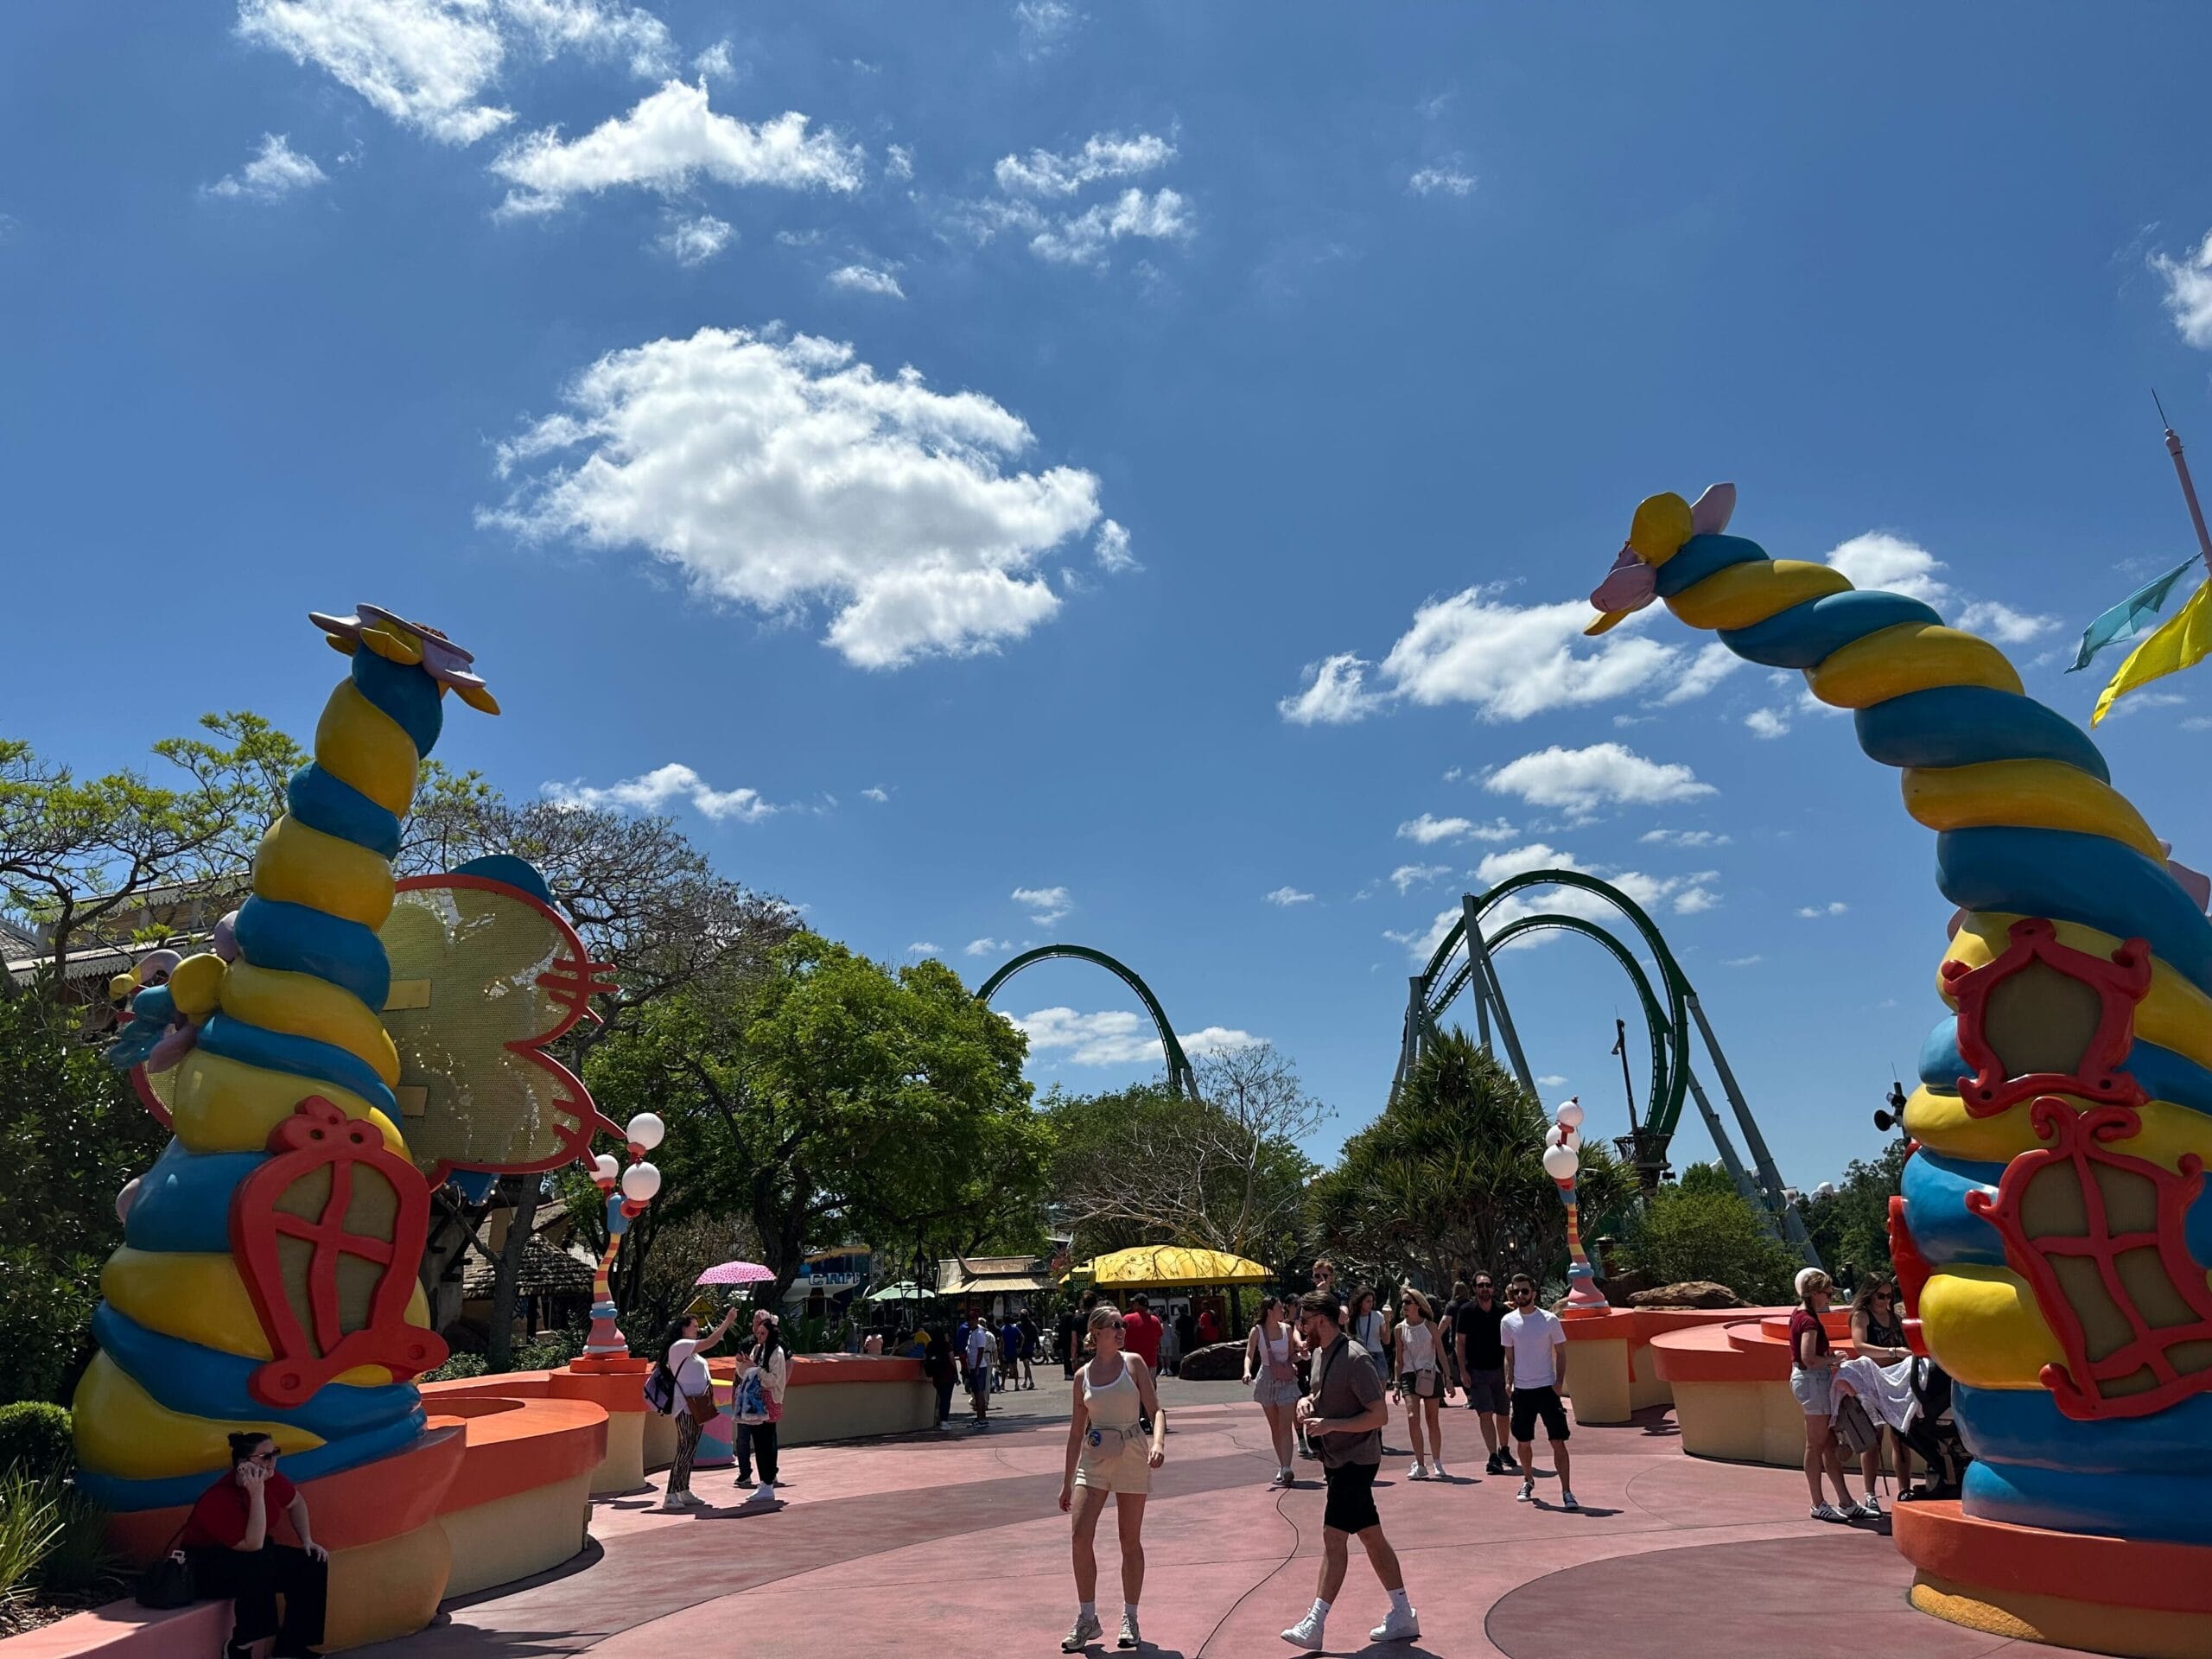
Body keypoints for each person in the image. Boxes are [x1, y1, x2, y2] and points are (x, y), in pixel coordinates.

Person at [1280, 1291, 1419, 1649]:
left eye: (1304, 1321)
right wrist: (1306, 1401)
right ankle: (1403, 1612)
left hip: (1357, 1461)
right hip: (1337, 1459)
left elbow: (1379, 1415)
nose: (1301, 1328)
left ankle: (1316, 1622)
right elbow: (1320, 1395)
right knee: (1371, 1535)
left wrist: (1331, 1425)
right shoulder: (1320, 1355)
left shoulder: (1356, 1358)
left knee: (1333, 1537)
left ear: (1321, 1321)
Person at [1058, 1306, 1167, 1654]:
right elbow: (1076, 1433)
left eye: (1122, 1325)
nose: (1121, 1330)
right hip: (1093, 1457)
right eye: (1114, 1325)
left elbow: (1156, 1410)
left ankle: (1130, 1617)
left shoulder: (1133, 1363)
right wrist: (1065, 1482)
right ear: (1096, 1332)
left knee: (1128, 1540)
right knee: (1079, 1536)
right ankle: (1087, 1617)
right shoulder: (1082, 1376)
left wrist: (1159, 1442)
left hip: (1132, 1452)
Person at [179, 1433, 329, 1659]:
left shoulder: (272, 1480)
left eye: (275, 1454)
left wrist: (307, 1539)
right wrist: (257, 1493)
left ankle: (291, 1646)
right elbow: (252, 1544)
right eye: (266, 1457)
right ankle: (240, 1645)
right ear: (243, 1464)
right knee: (258, 1563)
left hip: (250, 1555)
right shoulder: (218, 1497)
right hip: (207, 1566)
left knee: (311, 1562)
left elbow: (296, 1502)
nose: (273, 1462)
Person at [1793, 1268, 1869, 1522]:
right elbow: (1808, 1359)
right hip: (1813, 1381)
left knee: (1829, 1444)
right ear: (1814, 1293)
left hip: (1811, 1381)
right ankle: (1817, 1502)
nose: (1830, 1298)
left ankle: (1845, 1501)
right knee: (1815, 1444)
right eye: (1827, 1293)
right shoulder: (1809, 1321)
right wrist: (1832, 1359)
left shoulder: (1800, 1315)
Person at [1501, 1274, 1575, 1508]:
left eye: (1524, 1291)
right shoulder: (1507, 1322)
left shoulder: (1550, 1320)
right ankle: (1527, 1479)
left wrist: (1558, 1383)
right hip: (1522, 1391)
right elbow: (1509, 1356)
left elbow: (1561, 1353)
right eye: (1516, 1292)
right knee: (1523, 1441)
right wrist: (1508, 1382)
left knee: (1558, 1441)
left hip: (1546, 1389)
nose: (1520, 1296)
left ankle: (1566, 1491)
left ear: (1533, 1292)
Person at [657, 1303, 739, 1510]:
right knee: (685, 1448)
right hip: (685, 1407)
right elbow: (712, 1340)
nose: (697, 1329)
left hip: (698, 1406)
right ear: (684, 1329)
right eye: (694, 1326)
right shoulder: (680, 1346)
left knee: (691, 1448)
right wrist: (728, 1321)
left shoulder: (693, 1352)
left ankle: (684, 1490)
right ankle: (670, 1494)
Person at [1847, 1277, 1914, 1504]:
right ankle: (1870, 1494)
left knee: (1902, 1437)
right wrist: (1894, 1351)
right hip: (1872, 1381)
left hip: (1897, 1382)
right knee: (1873, 1438)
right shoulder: (1862, 1316)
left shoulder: (1896, 1318)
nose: (1885, 1300)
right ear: (1869, 1294)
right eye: (1880, 1296)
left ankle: (1905, 1489)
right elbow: (1860, 1346)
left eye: (1889, 1295)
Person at [1453, 1274, 1516, 1475]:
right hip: (1477, 1371)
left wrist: (1512, 1373)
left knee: (1504, 1413)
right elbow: (1459, 1342)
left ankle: (1504, 1449)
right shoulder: (1466, 1311)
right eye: (1480, 1286)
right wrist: (1462, 1371)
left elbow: (1511, 1344)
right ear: (1474, 1289)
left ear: (1493, 1289)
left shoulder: (1502, 1312)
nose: (1484, 1289)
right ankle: (1492, 1455)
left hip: (1500, 1370)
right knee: (1485, 1413)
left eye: (1488, 1285)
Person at [1242, 1294, 1300, 1487]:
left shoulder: (1287, 1329)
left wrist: (1303, 1356)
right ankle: (1282, 1466)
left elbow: (1292, 1356)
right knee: (1275, 1426)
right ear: (1269, 1311)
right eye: (1279, 1308)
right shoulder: (1257, 1331)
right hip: (1266, 1378)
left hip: (1286, 1380)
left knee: (1285, 1425)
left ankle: (1286, 1467)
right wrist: (1247, 1371)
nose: (1282, 1311)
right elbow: (1249, 1353)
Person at [1391, 1289, 1450, 1481]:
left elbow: (1441, 1352)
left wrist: (1448, 1377)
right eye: (1403, 1302)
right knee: (1412, 1417)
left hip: (1430, 1374)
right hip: (1409, 1374)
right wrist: (1397, 1383)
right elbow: (1399, 1358)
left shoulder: (1430, 1326)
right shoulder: (1399, 1329)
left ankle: (1437, 1461)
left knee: (1432, 1419)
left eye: (1408, 1301)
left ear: (1418, 1304)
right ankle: (1420, 1463)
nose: (1405, 1305)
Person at [735, 1309, 791, 1504]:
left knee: (767, 1443)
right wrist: (742, 1364)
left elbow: (772, 1380)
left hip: (769, 1402)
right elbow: (746, 1374)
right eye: (758, 1333)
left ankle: (767, 1483)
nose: (758, 1336)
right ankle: (764, 1483)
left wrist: (755, 1368)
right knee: (758, 1444)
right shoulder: (758, 1350)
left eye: (762, 1333)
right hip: (755, 1403)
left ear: (771, 1334)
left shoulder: (777, 1352)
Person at [965, 1310, 996, 1426]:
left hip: (979, 1366)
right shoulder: (972, 1333)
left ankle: (981, 1417)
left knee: (979, 1393)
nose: (969, 1323)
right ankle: (980, 1417)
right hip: (973, 1366)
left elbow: (980, 1351)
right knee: (977, 1392)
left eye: (971, 1320)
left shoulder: (979, 1333)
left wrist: (977, 1367)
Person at [1122, 1294, 1163, 1372]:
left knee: (1132, 1384)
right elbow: (1158, 1341)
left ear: (1137, 1304)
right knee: (1150, 1384)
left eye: (1133, 1303)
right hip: (1150, 1362)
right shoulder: (1155, 1320)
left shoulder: (1127, 1318)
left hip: (1132, 1362)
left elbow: (1120, 1337)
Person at [925, 1327, 957, 1429]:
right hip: (947, 1375)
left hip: (936, 1375)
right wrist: (956, 1373)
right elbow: (952, 1359)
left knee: (940, 1396)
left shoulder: (930, 1346)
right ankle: (944, 1420)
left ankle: (938, 1418)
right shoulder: (946, 1345)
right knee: (946, 1399)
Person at [1348, 1288, 1388, 1364]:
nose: (1371, 1304)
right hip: (1359, 1355)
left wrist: (1387, 1322)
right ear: (1360, 1303)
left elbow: (1386, 1341)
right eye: (1368, 1301)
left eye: (1372, 1301)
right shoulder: (1352, 1319)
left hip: (1376, 1354)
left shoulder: (1377, 1315)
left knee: (1382, 1376)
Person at [1058, 1300, 1086, 1381]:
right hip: (1069, 1339)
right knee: (1070, 1356)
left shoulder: (1063, 1315)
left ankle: (1067, 1373)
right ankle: (1070, 1372)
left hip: (1064, 1339)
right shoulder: (1071, 1316)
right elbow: (1073, 1328)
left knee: (1065, 1357)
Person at [1020, 1312, 1042, 1389]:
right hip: (1030, 1347)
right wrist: (1038, 1346)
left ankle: (1031, 1381)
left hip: (1024, 1347)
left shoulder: (1021, 1325)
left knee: (1026, 1365)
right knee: (1026, 1365)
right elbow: (1036, 1336)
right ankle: (1025, 1382)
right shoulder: (1032, 1325)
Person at [1173, 1305, 1197, 1374]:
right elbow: (1195, 1328)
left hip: (1183, 1339)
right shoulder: (1190, 1318)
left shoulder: (1178, 1320)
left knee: (1184, 1355)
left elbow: (1176, 1331)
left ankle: (1185, 1369)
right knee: (1191, 1354)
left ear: (1179, 1311)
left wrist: (1178, 1335)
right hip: (1191, 1338)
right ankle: (1192, 1368)